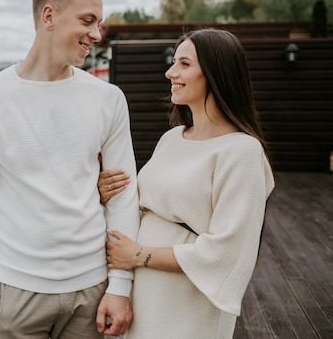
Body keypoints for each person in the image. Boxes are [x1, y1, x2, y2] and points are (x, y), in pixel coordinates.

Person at [0, 0, 139, 339]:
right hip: (15, 295)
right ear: (49, 16)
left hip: (93, 290)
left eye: (99, 23)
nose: (96, 35)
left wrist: (120, 286)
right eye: (88, 21)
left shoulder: (108, 99)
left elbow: (123, 193)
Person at [98, 28, 275, 339]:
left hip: (187, 302)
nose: (170, 72)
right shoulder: (171, 139)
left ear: (216, 73)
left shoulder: (242, 151)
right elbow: (138, 207)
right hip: (143, 291)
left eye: (184, 64)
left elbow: (228, 251)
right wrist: (103, 193)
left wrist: (139, 255)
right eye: (173, 63)